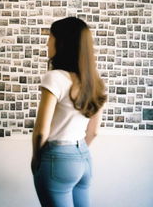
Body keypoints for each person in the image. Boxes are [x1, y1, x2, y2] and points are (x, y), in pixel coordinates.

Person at [32, 17, 107, 207]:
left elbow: (41, 130)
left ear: (62, 43)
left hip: (57, 158)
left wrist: (36, 158)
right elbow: (94, 131)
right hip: (84, 158)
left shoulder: (54, 78)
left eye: (50, 37)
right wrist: (77, 152)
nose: (47, 43)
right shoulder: (95, 81)